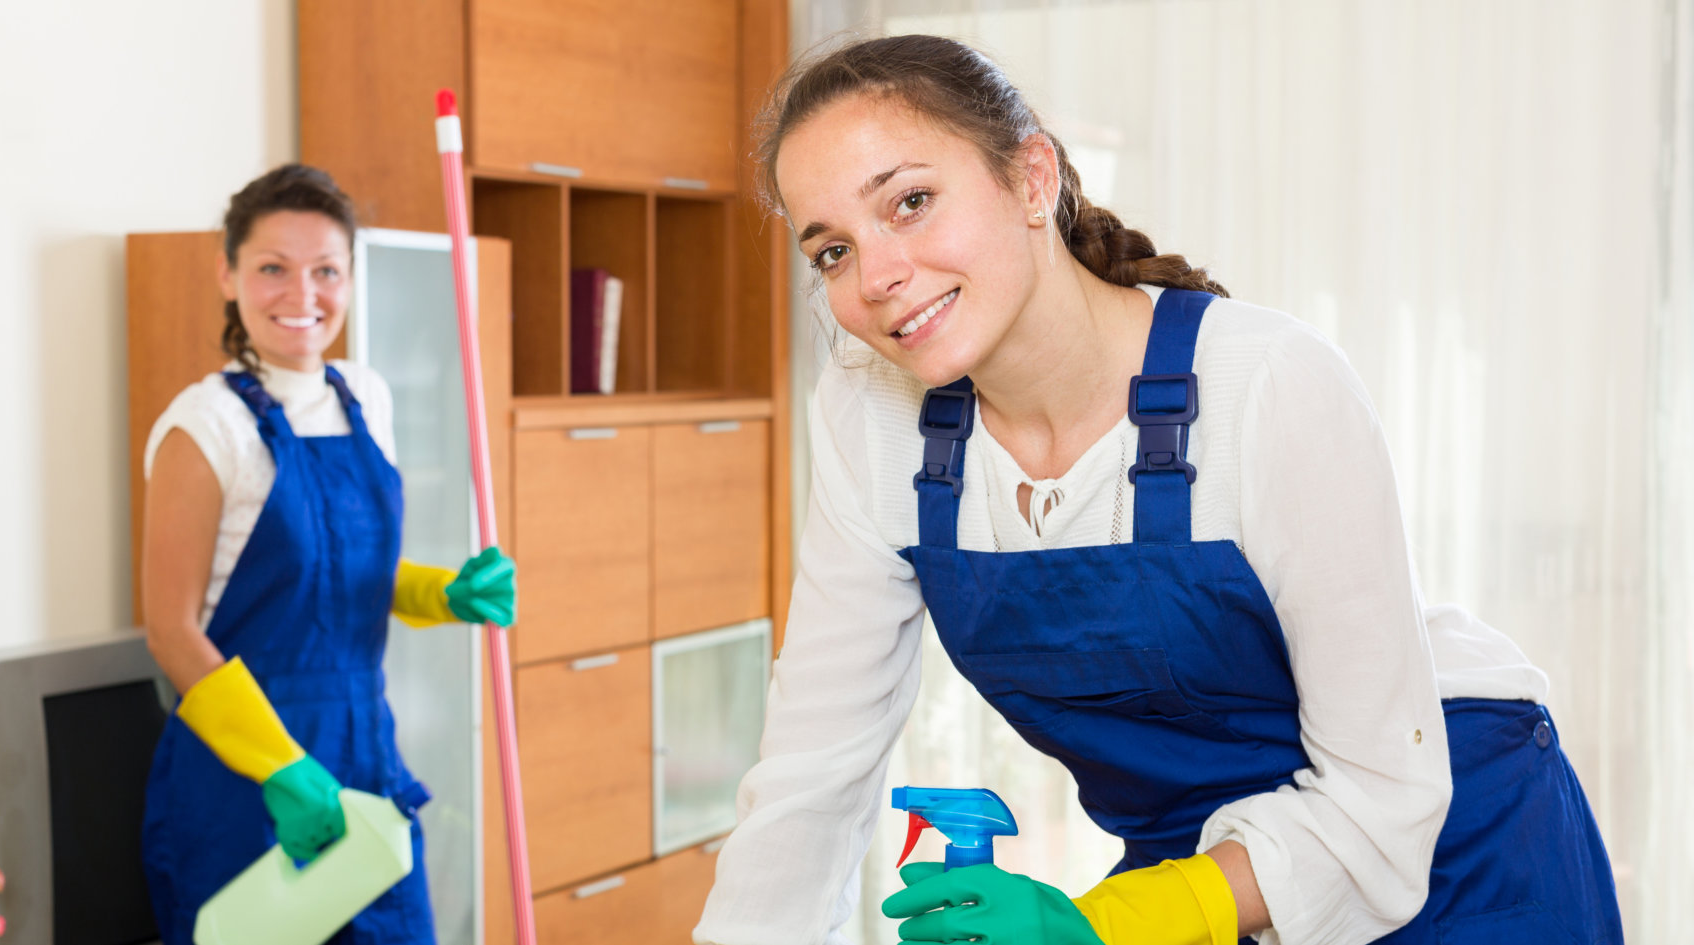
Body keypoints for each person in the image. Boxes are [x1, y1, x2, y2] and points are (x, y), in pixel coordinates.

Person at [694, 34, 1621, 945]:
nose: (880, 278)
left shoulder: (1268, 384)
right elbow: (815, 770)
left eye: (912, 201)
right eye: (832, 253)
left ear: (1032, 179)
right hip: (1200, 857)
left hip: (1452, 847)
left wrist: (1108, 925)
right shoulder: (872, 415)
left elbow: (1384, 799)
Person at [137, 164, 516, 945]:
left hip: (363, 755)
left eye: (326, 270)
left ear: (349, 278)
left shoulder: (365, 396)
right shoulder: (204, 426)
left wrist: (449, 593)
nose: (300, 293)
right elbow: (170, 630)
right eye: (272, 267)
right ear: (228, 271)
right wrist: (278, 765)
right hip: (242, 784)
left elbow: (345, 578)